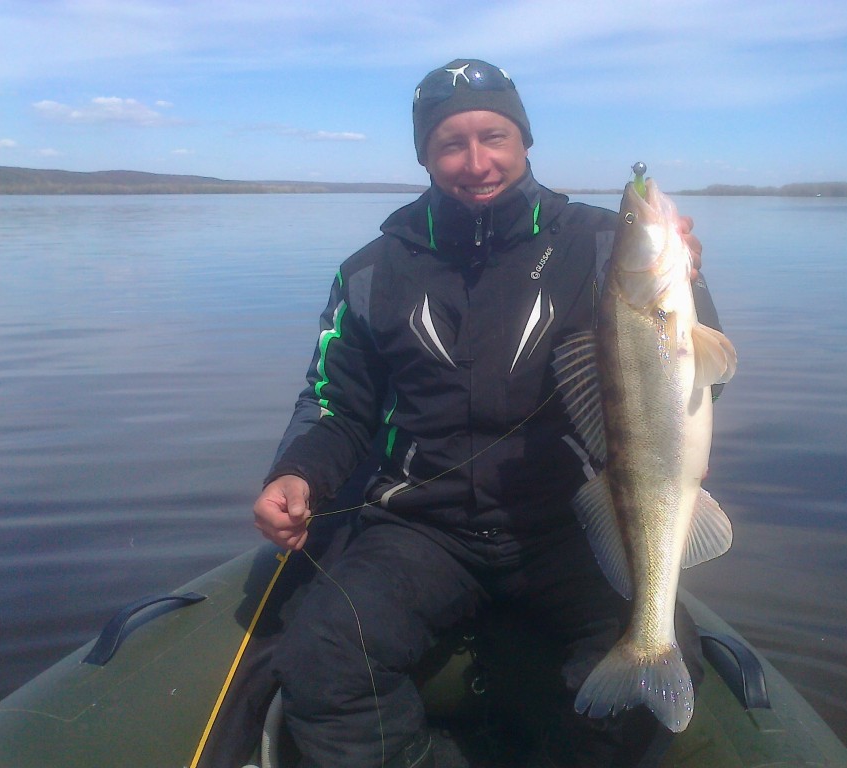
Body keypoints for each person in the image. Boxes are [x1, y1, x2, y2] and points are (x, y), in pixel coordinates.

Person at [253, 59, 722, 768]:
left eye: (495, 136)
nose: (477, 163)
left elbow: (688, 385)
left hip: (572, 524)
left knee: (651, 669)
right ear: (425, 155)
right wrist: (296, 475)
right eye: (451, 143)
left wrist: (689, 280)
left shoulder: (602, 245)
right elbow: (339, 405)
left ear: (524, 140)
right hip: (423, 530)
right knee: (321, 658)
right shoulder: (371, 271)